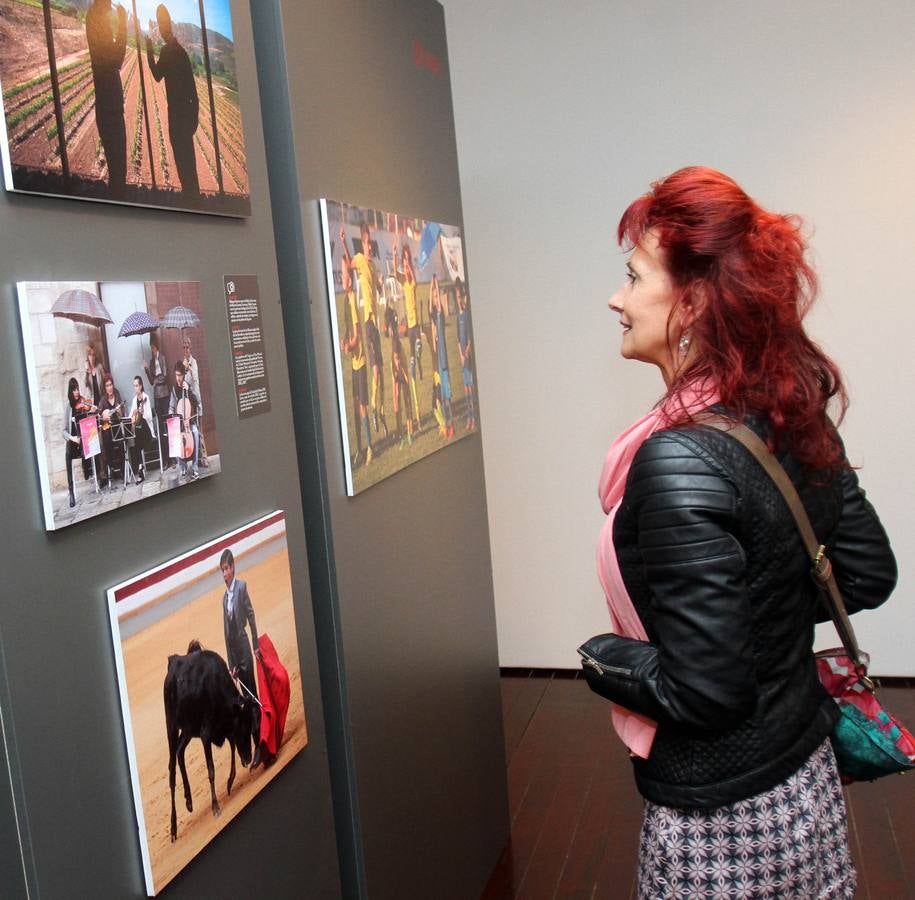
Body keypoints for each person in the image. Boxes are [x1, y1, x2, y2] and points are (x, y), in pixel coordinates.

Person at [592, 167, 897, 899]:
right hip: (804, 775)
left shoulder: (677, 457)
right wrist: (756, 624)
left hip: (722, 818)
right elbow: (866, 572)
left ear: (694, 300)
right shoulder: (785, 407)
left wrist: (601, 658)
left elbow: (705, 693)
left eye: (633, 277)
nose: (616, 299)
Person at [146, 4, 199, 200]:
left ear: (162, 28)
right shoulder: (181, 52)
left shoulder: (167, 52)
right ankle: (194, 199)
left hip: (176, 116)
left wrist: (148, 48)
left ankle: (190, 200)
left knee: (181, 161)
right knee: (189, 162)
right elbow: (193, 90)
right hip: (186, 114)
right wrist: (194, 119)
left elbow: (156, 75)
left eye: (160, 26)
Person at [340, 223, 387, 437]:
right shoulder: (359, 259)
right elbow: (349, 264)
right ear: (363, 243)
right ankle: (375, 408)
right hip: (368, 323)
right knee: (375, 370)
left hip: (375, 324)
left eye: (370, 243)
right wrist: (343, 242)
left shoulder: (374, 266)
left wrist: (381, 283)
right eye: (366, 242)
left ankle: (378, 410)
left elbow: (379, 289)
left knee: (380, 372)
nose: (369, 246)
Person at [219, 548, 261, 767]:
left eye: (226, 568)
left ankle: (260, 746)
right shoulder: (224, 598)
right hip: (235, 654)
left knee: (252, 697)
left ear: (233, 567)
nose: (224, 573)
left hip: (245, 648)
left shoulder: (242, 587)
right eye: (222, 570)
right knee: (245, 700)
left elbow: (251, 616)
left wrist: (255, 645)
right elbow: (226, 634)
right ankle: (256, 745)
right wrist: (231, 664)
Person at [86, 0, 127, 197]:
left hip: (106, 102)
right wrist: (123, 24)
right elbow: (117, 60)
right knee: (118, 168)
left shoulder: (94, 15)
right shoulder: (97, 17)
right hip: (110, 104)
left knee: (115, 164)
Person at [339, 259, 373, 466]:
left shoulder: (352, 301)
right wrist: (344, 341)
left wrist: (349, 346)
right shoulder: (345, 299)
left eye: (344, 275)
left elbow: (357, 337)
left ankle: (369, 448)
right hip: (353, 364)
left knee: (362, 407)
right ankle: (359, 450)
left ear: (349, 281)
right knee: (354, 406)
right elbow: (348, 330)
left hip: (360, 363)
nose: (342, 278)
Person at [392, 241, 422, 429]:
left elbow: (413, 279)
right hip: (409, 328)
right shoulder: (403, 280)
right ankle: (416, 415)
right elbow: (396, 273)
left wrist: (408, 265)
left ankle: (418, 359)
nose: (406, 263)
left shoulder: (412, 281)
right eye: (405, 260)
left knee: (418, 347)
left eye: (407, 259)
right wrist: (395, 255)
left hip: (416, 326)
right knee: (411, 364)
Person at [62, 378, 97, 507]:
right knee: (67, 454)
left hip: (83, 439)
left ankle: (86, 465)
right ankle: (71, 492)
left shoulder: (83, 403)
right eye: (74, 390)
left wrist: (92, 409)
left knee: (86, 443)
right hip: (73, 440)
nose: (76, 392)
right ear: (70, 392)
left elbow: (90, 421)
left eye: (77, 389)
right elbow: (63, 431)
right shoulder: (68, 408)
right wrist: (72, 438)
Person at [430, 275, 454, 438]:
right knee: (444, 397)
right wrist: (431, 287)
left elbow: (437, 304)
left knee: (448, 396)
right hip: (439, 361)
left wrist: (436, 285)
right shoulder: (434, 318)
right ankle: (446, 425)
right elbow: (430, 306)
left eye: (437, 297)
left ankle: (451, 424)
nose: (436, 300)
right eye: (434, 298)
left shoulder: (440, 315)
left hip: (444, 361)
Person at [168, 361, 200, 480]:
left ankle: (195, 468)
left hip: (189, 422)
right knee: (174, 434)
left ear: (183, 375)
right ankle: (183, 466)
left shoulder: (188, 386)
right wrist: (171, 415)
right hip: (179, 424)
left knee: (195, 433)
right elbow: (171, 407)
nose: (178, 378)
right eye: (176, 375)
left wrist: (189, 391)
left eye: (180, 375)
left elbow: (196, 402)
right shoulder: (174, 389)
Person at [182, 336, 208, 467]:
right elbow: (184, 382)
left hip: (196, 400)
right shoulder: (183, 364)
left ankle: (205, 457)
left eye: (187, 347)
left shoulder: (194, 362)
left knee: (200, 431)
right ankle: (196, 459)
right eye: (184, 347)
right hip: (189, 403)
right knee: (193, 432)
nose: (186, 350)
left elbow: (195, 379)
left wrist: (189, 368)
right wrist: (184, 369)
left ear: (190, 348)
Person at [144, 335, 169, 466]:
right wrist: (146, 369)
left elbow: (165, 376)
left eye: (153, 348)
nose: (152, 350)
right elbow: (150, 381)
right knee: (160, 427)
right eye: (151, 348)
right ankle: (165, 459)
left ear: (157, 347)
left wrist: (156, 380)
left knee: (168, 425)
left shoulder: (162, 358)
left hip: (164, 395)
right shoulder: (151, 361)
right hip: (157, 397)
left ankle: (172, 458)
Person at [455, 278, 476, 430]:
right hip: (463, 358)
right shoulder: (458, 317)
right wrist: (461, 355)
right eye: (457, 297)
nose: (459, 300)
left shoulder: (467, 314)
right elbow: (458, 339)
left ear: (463, 298)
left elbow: (469, 338)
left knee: (471, 386)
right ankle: (469, 417)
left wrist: (467, 351)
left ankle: (474, 416)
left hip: (468, 356)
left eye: (460, 297)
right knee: (466, 388)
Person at [127, 375, 155, 482]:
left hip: (147, 432)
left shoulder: (145, 398)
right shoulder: (134, 400)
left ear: (141, 386)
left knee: (139, 430)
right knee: (137, 436)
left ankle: (140, 467)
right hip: (139, 433)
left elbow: (149, 417)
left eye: (137, 386)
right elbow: (131, 415)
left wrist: (142, 413)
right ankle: (140, 467)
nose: (136, 388)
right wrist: (132, 419)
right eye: (134, 386)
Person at [97, 373, 125, 482]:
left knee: (121, 441)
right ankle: (111, 467)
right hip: (108, 427)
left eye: (111, 385)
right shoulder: (103, 399)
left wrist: (119, 412)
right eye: (107, 385)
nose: (110, 387)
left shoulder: (117, 395)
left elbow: (122, 415)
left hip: (117, 424)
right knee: (105, 437)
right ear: (105, 387)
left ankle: (123, 470)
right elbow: (99, 416)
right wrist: (103, 416)